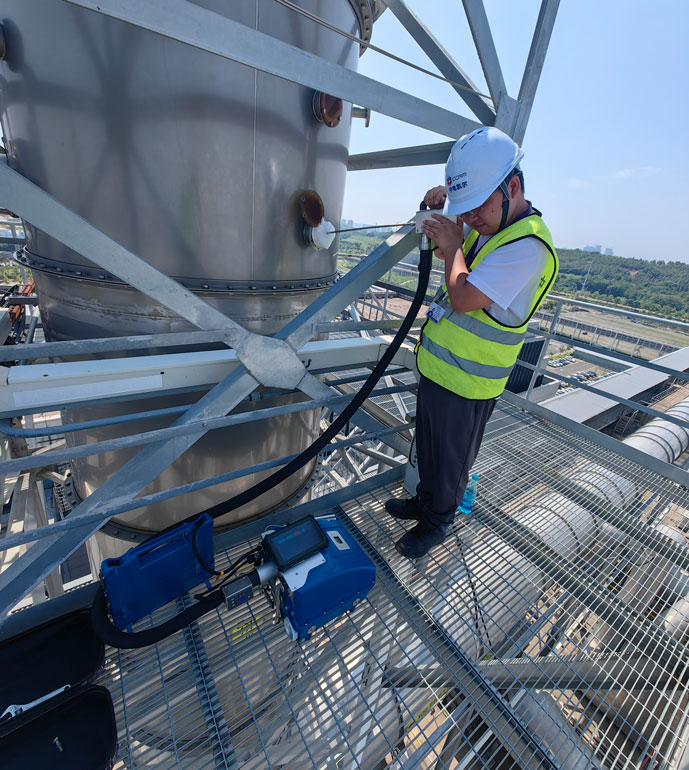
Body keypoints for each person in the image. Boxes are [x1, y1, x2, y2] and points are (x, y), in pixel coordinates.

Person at [386, 126, 559, 558]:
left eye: (478, 204)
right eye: (467, 207)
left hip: (469, 383)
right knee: (429, 450)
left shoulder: (529, 246)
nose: (471, 216)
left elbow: (463, 296)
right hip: (442, 369)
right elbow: (456, 262)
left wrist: (452, 242)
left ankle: (436, 523)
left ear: (512, 187)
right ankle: (424, 502)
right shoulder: (492, 226)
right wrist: (446, 217)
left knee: (450, 462)